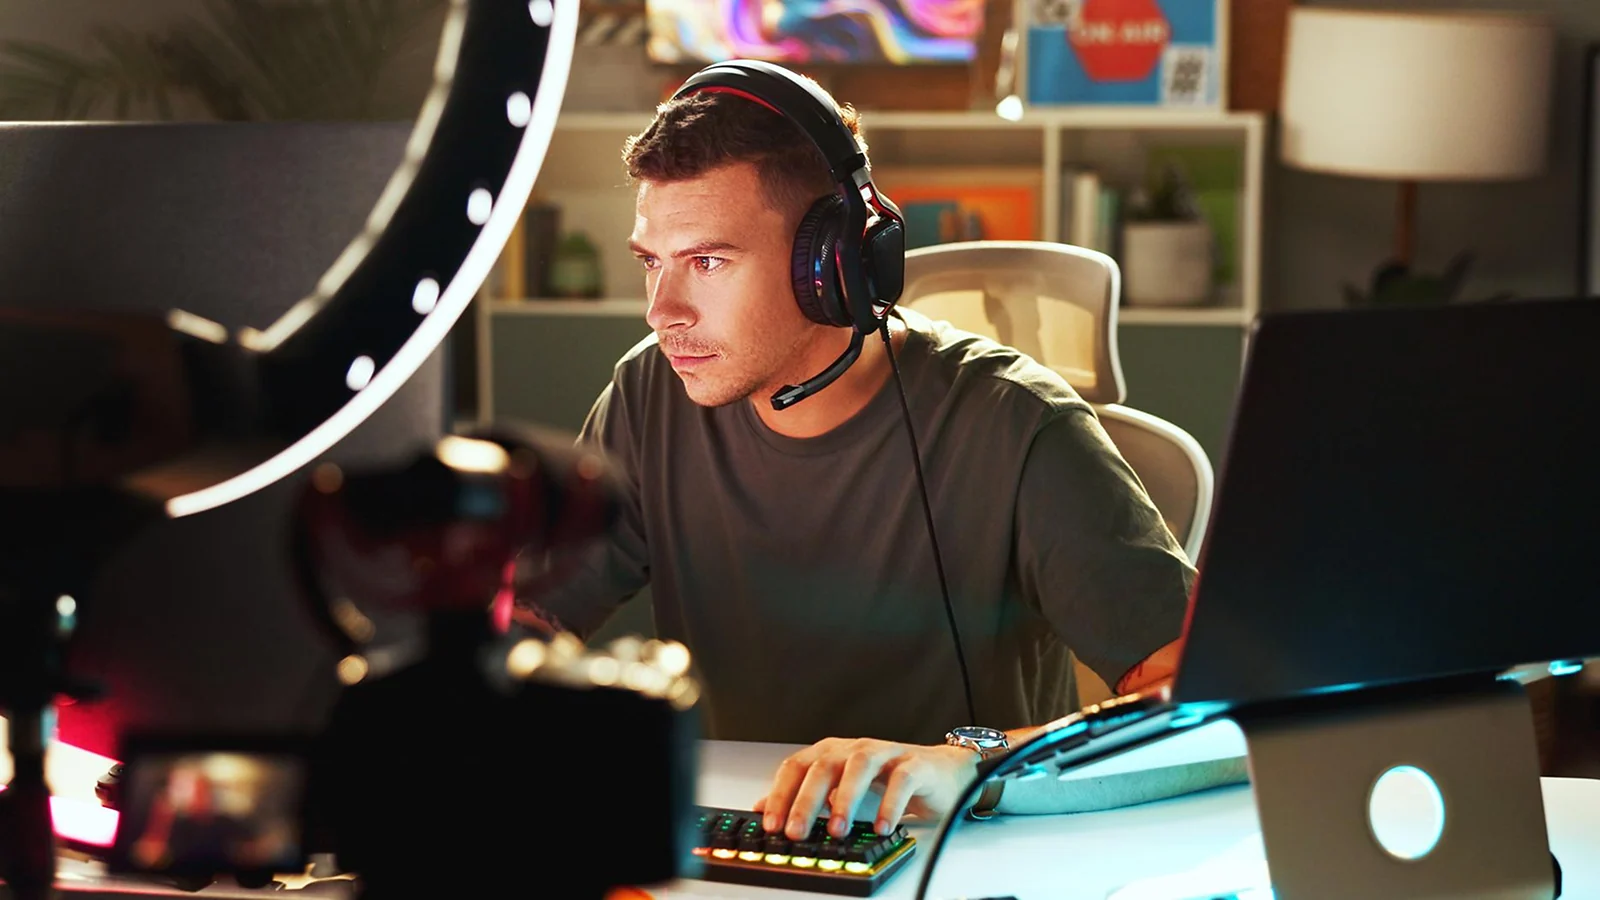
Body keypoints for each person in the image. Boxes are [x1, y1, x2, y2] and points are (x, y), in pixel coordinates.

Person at [513, 61, 1245, 842]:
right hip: (745, 852)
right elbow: (524, 621)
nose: (663, 312)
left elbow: (1211, 711)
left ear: (830, 263)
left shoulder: (1018, 426)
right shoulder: (647, 396)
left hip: (958, 857)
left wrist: (967, 766)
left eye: (708, 262)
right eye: (651, 262)